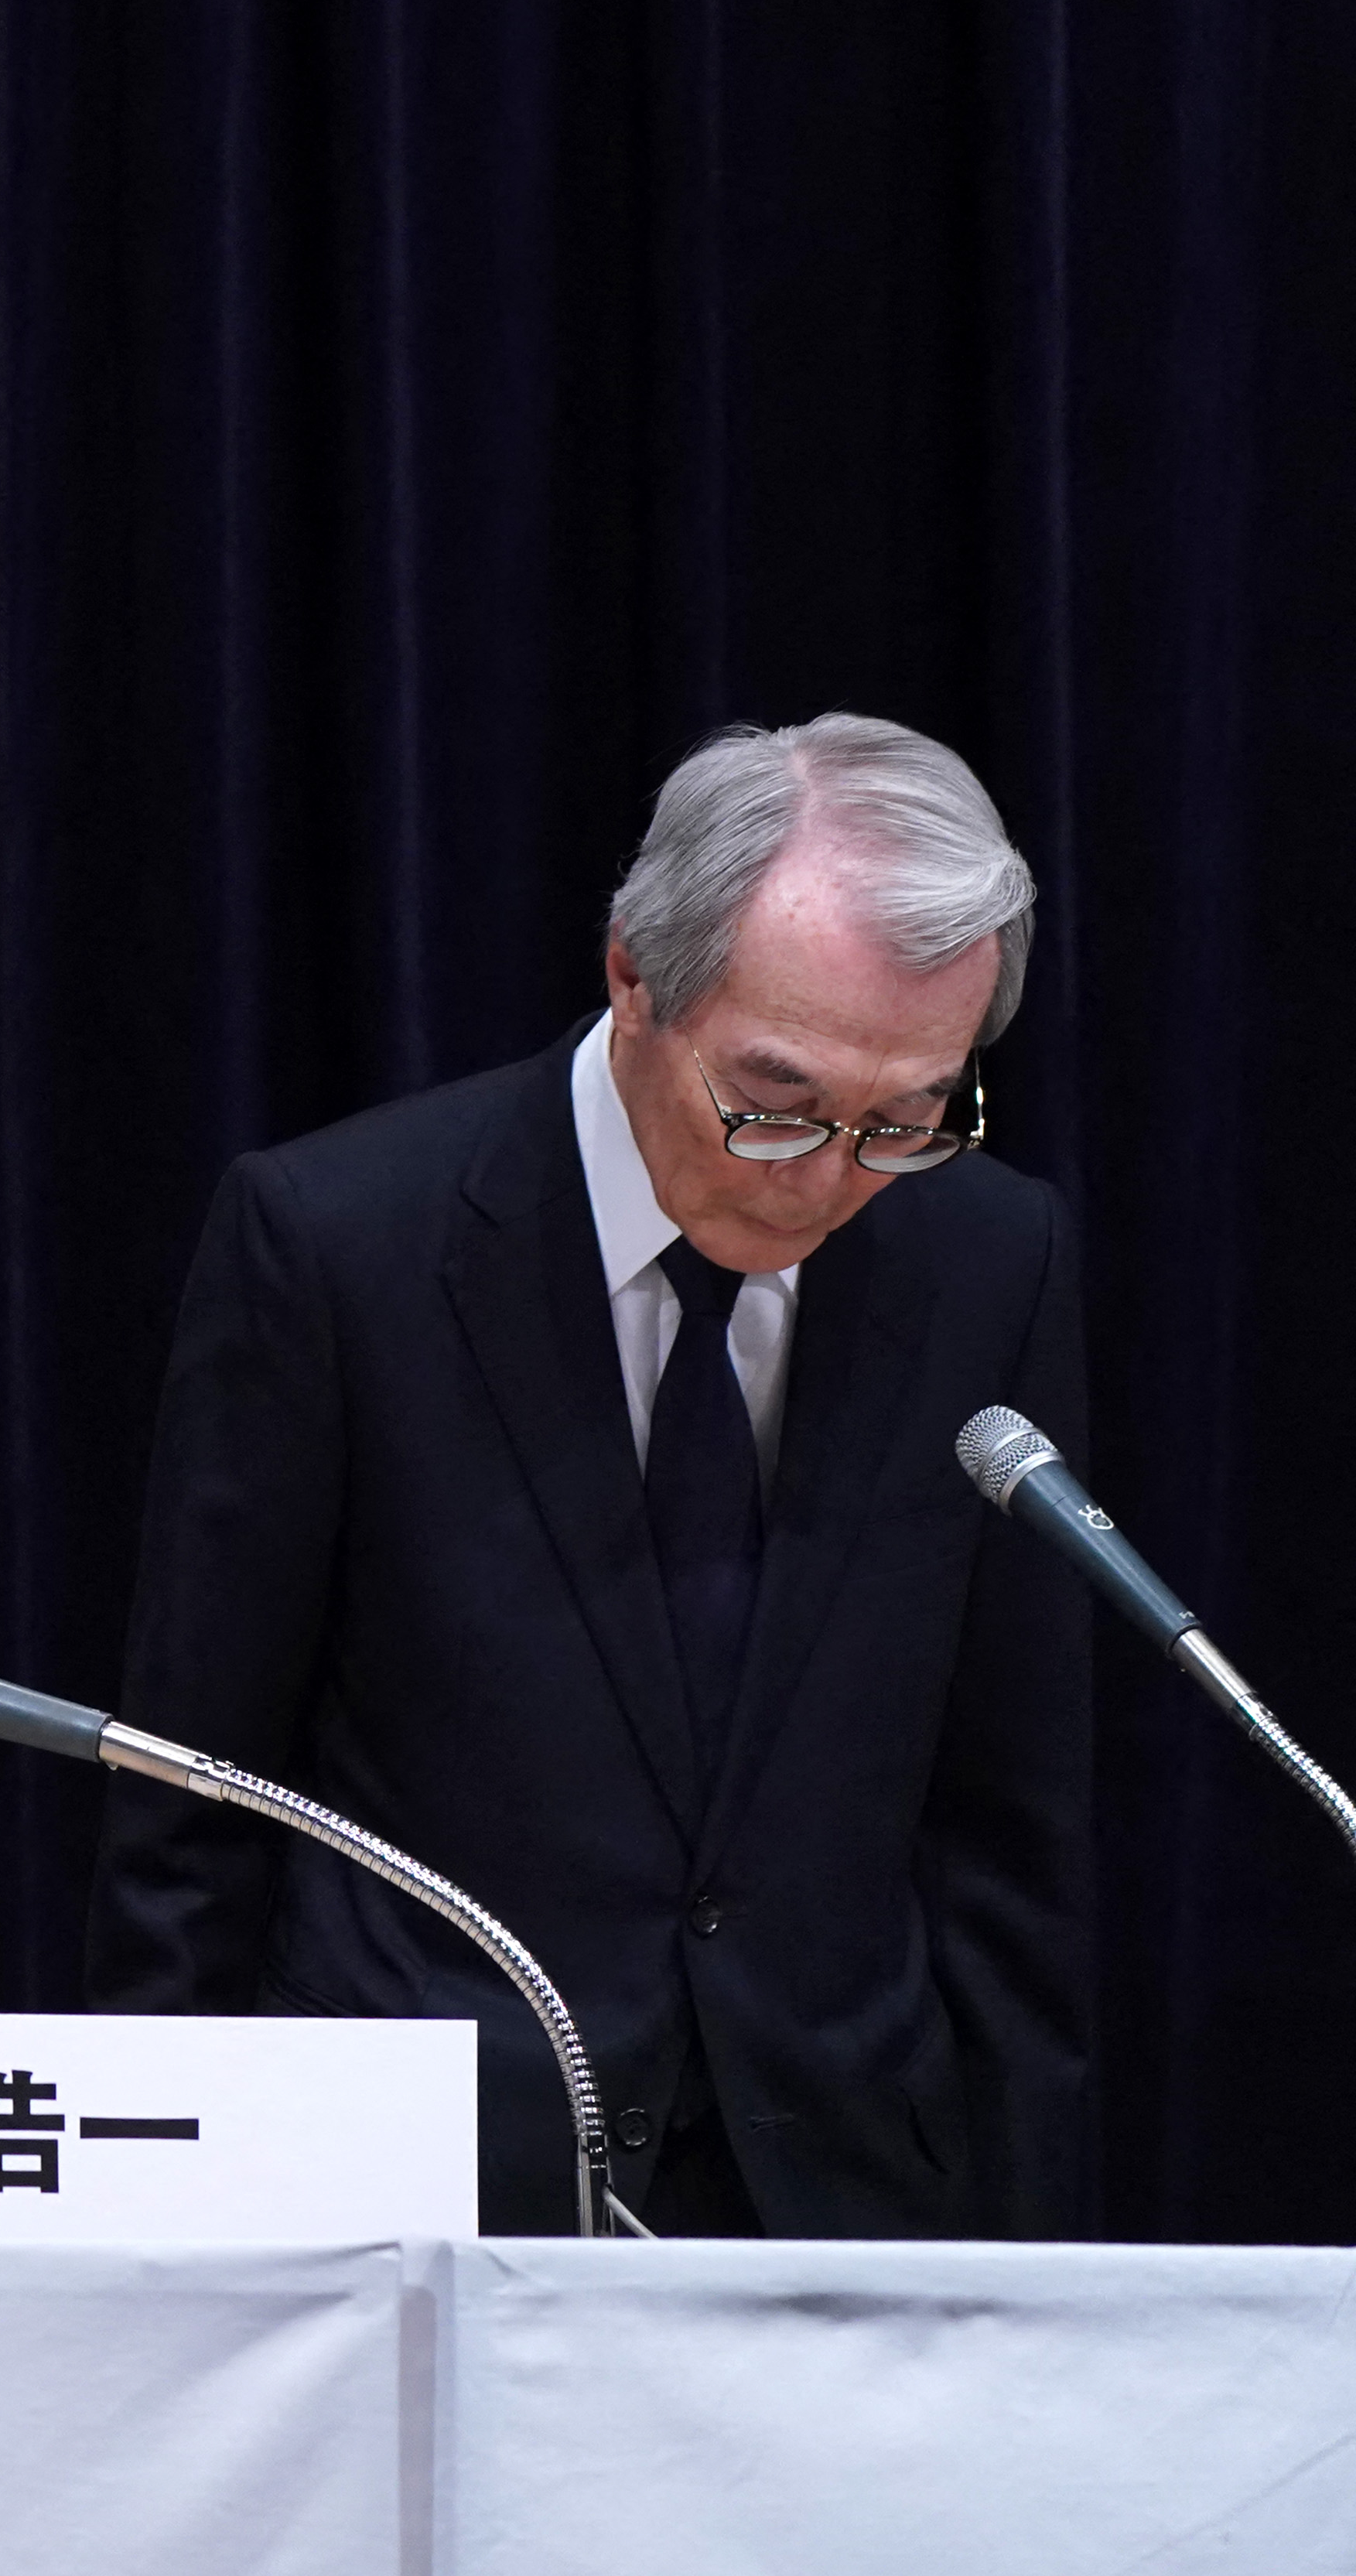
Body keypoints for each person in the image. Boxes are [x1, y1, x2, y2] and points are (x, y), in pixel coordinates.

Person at [87, 715, 1090, 2237]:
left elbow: (1005, 1815)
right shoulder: (340, 1246)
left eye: (902, 1119)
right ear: (633, 974)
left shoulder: (983, 1257)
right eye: (770, 1099)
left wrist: (1035, 2285)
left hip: (835, 2191)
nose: (821, 1177)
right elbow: (189, 1801)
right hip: (416, 2195)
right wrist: (164, 2239)